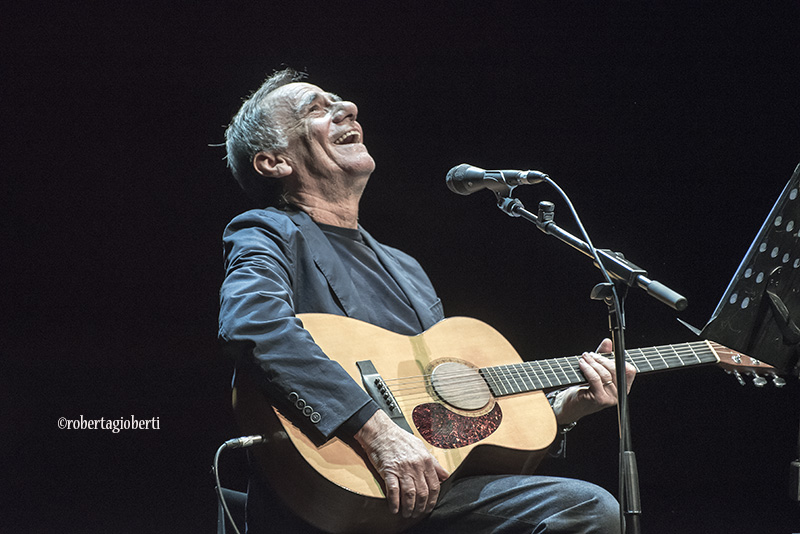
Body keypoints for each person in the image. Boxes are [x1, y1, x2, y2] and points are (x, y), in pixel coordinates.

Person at [218, 68, 636, 533]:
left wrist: (561, 411)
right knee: (587, 509)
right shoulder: (268, 231)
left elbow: (442, 423)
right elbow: (252, 324)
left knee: (583, 509)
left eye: (338, 100)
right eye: (315, 109)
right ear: (275, 162)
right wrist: (374, 431)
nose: (348, 108)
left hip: (423, 495)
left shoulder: (406, 269)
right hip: (338, 492)